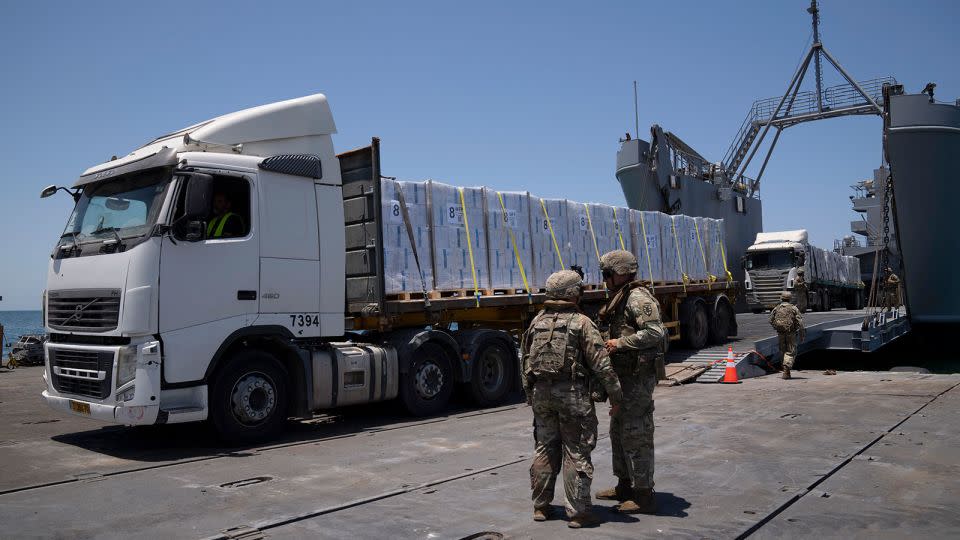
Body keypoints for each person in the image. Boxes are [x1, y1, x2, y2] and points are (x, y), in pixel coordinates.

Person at [521, 269, 623, 529]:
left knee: (544, 447)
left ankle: (541, 507)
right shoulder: (582, 323)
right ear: (573, 293)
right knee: (575, 450)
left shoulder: (537, 322)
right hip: (572, 396)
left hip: (541, 394)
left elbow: (525, 361)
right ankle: (577, 512)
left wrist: (530, 395)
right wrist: (616, 396)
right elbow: (601, 364)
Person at [594, 250, 666, 514]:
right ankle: (625, 485)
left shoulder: (637, 298)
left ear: (621, 272)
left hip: (637, 378)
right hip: (623, 377)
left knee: (637, 434)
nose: (604, 279)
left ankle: (643, 493)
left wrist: (620, 343)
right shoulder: (620, 296)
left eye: (607, 274)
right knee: (618, 432)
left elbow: (655, 332)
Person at [769, 291, 804, 379]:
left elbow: (770, 320)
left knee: (783, 351)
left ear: (781, 298)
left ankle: (786, 371)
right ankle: (786, 369)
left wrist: (776, 327)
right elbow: (800, 322)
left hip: (780, 333)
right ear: (790, 298)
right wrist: (801, 334)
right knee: (791, 351)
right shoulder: (793, 308)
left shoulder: (777, 308)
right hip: (791, 333)